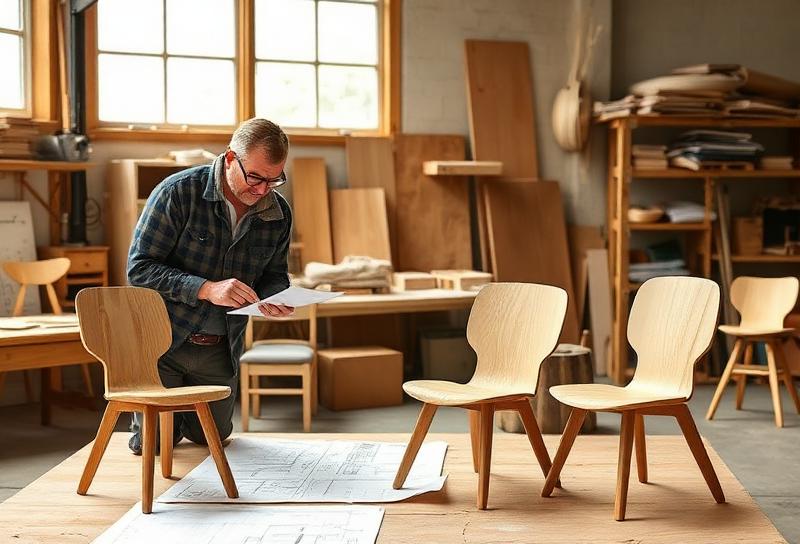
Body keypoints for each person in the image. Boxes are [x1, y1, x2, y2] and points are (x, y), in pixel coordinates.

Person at [126, 118, 295, 454]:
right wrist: (206, 288)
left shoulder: (278, 213)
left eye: (274, 180)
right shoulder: (178, 193)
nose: (263, 190)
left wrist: (278, 295)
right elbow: (139, 269)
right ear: (230, 159)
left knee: (212, 439)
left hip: (220, 349)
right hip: (165, 344)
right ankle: (149, 418)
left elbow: (275, 273)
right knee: (156, 445)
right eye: (256, 177)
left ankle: (178, 416)